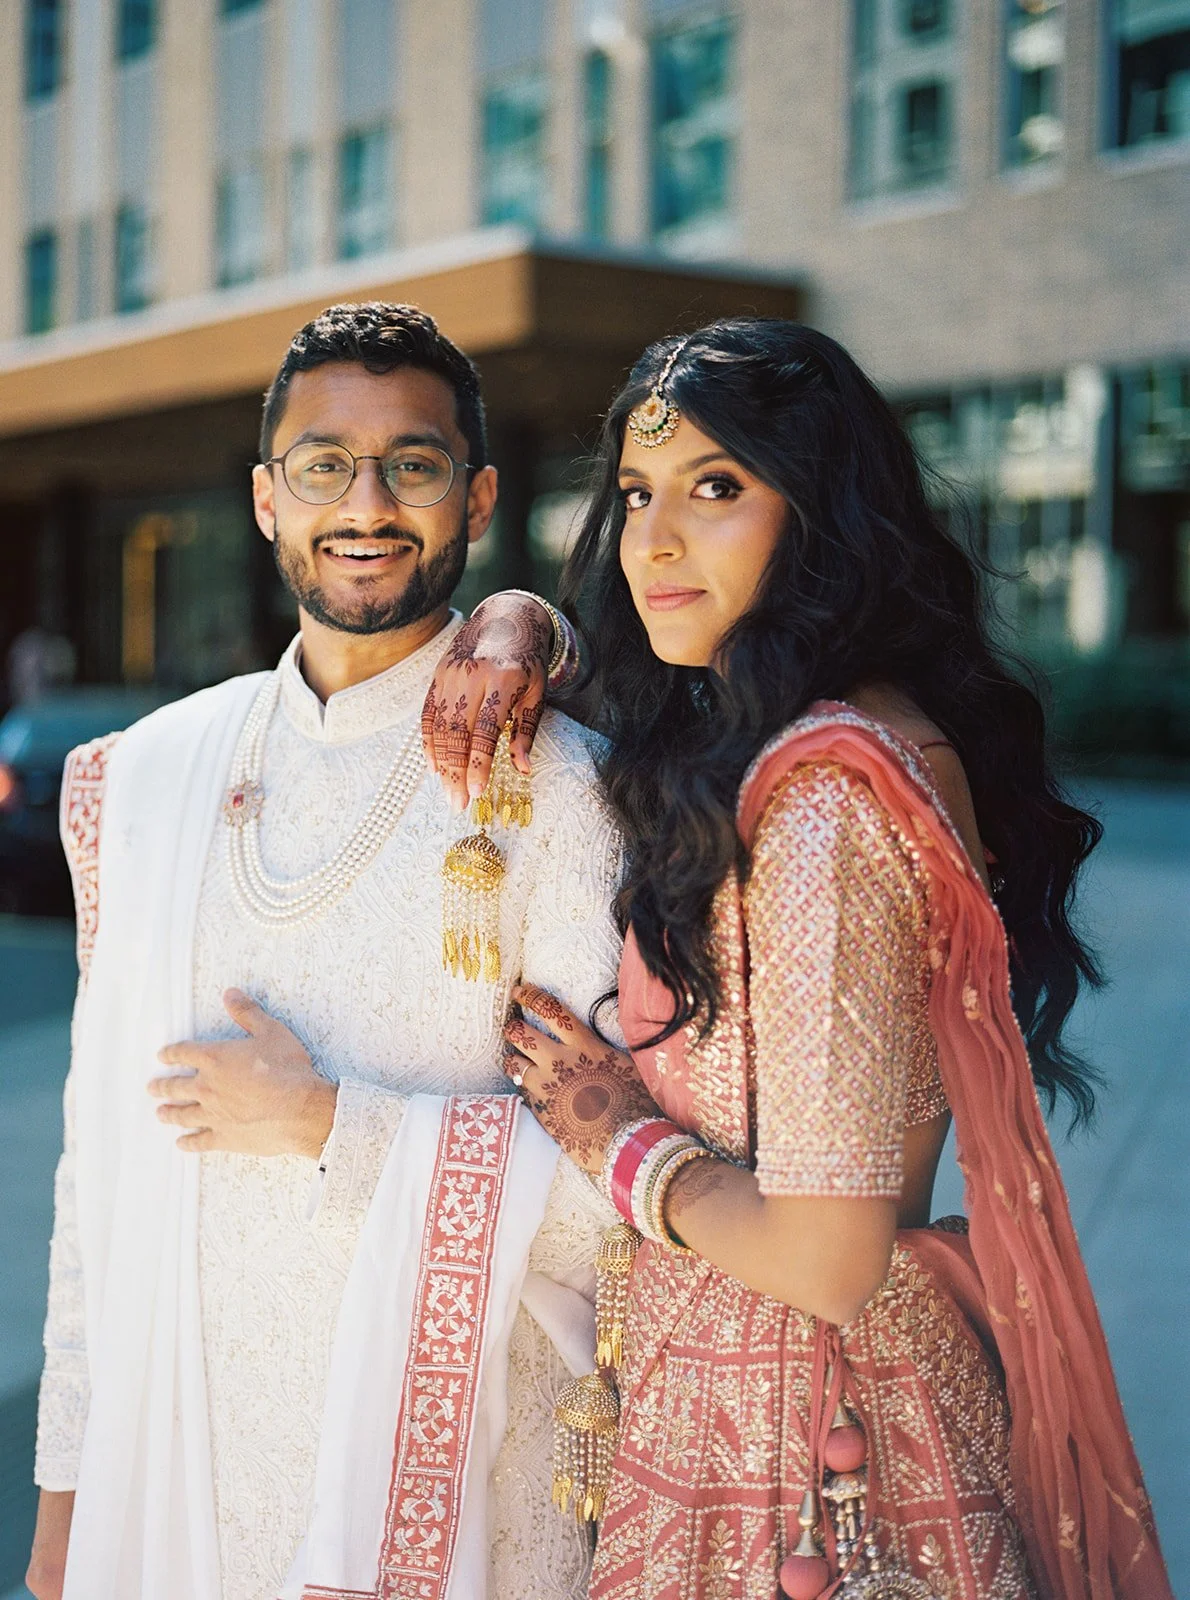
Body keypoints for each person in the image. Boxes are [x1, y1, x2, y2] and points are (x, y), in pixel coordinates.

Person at [429, 319, 1172, 1599]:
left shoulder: (821, 800)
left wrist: (607, 1127)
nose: (653, 542)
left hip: (793, 1462)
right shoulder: (838, 729)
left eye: (716, 489)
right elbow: (617, 668)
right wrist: (514, 621)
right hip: (804, 1407)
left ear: (818, 511)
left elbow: (828, 1254)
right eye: (636, 494)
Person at [28, 302, 632, 1600]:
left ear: (473, 499)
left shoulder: (561, 785)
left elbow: (605, 1208)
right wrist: (65, 1490)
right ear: (263, 499)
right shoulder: (142, 783)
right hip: (177, 1470)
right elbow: (98, 1181)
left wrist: (326, 1125)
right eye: (321, 465)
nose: (366, 502)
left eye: (411, 464)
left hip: (465, 1480)